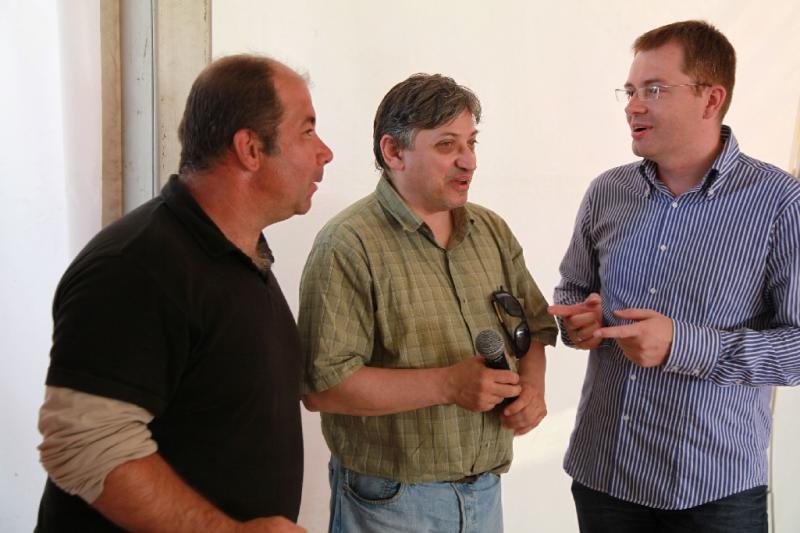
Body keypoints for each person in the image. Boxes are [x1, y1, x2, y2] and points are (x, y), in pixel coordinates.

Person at [36, 54, 333, 532]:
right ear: (250, 149)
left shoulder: (241, 254)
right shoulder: (136, 266)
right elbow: (84, 445)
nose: (325, 152)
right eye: (307, 131)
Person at [549, 20, 800, 533]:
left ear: (711, 99)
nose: (633, 106)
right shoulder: (607, 192)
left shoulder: (782, 204)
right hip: (603, 477)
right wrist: (577, 322)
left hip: (713, 491)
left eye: (654, 90)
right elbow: (573, 289)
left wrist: (683, 345)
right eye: (630, 91)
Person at [298, 73, 558, 533]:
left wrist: (533, 389)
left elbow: (535, 328)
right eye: (446, 145)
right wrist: (446, 385)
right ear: (393, 152)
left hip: (486, 494)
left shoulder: (491, 231)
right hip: (391, 504)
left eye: (471, 143)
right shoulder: (347, 244)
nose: (468, 161)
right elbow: (324, 388)